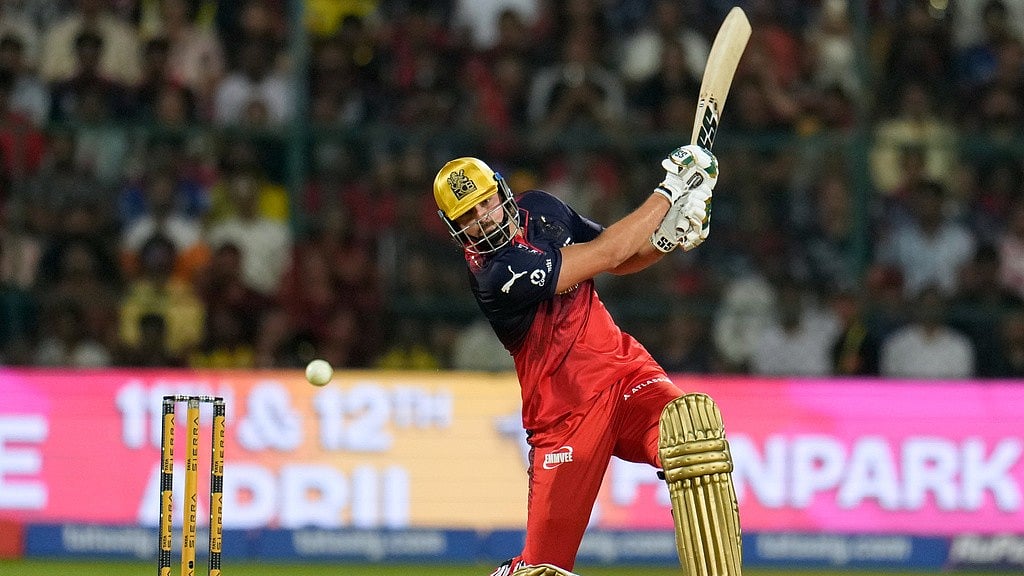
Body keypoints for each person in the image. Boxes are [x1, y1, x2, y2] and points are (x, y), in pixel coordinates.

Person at [431, 147, 742, 576]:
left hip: (626, 375)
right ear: (456, 228)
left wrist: (668, 237)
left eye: (485, 201)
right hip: (566, 417)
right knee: (544, 571)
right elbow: (607, 255)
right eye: (468, 215)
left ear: (501, 191)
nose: (483, 217)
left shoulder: (540, 208)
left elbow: (622, 254)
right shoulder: (496, 274)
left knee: (693, 440)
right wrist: (671, 191)